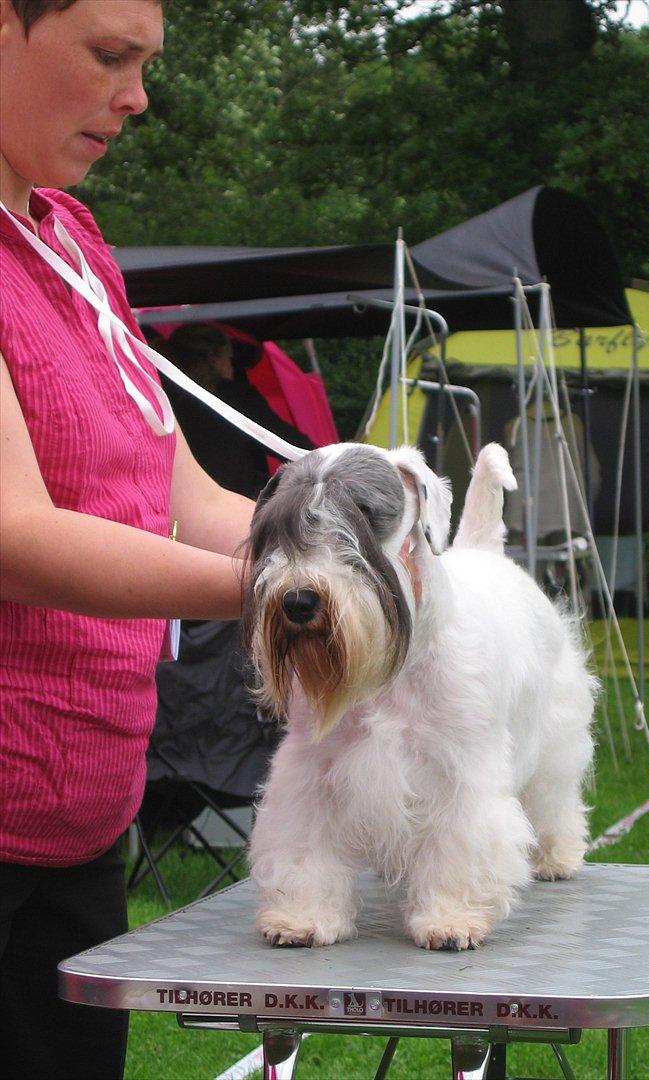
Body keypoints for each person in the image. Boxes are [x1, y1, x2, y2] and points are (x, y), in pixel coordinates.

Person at [0, 3, 297, 1077]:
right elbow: (16, 535)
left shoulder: (73, 242)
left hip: (82, 811)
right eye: (108, 56)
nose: (136, 97)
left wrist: (346, 530)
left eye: (145, 64)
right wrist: (293, 591)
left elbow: (181, 498)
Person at [162, 322, 316, 499]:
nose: (232, 367)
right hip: (235, 502)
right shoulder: (234, 397)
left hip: (177, 505)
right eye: (229, 358)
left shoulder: (161, 398)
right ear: (215, 358)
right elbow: (295, 447)